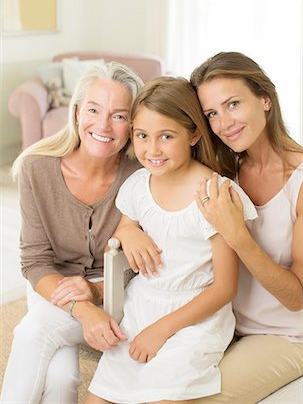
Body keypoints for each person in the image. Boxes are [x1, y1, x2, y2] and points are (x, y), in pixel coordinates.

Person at [85, 76, 258, 404]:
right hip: (142, 308)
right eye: (142, 136)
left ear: (193, 133)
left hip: (194, 318)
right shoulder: (138, 184)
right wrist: (128, 232)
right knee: (98, 399)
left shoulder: (214, 195)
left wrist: (162, 329)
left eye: (166, 136)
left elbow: (225, 288)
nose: (152, 150)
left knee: (159, 397)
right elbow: (124, 226)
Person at [0, 62, 143, 404]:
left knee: (34, 332)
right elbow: (35, 262)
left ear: (133, 124)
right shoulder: (37, 167)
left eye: (119, 116)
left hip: (115, 290)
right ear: (77, 112)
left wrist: (95, 292)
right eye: (94, 109)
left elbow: (141, 263)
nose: (103, 125)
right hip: (53, 283)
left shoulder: (141, 175)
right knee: (63, 380)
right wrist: (84, 309)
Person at [189, 51, 303, 403]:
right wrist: (128, 228)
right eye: (212, 113)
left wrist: (238, 235)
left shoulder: (298, 182)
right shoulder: (224, 169)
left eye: (233, 103)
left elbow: (297, 297)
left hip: (285, 335)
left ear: (265, 99)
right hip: (225, 322)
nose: (224, 123)